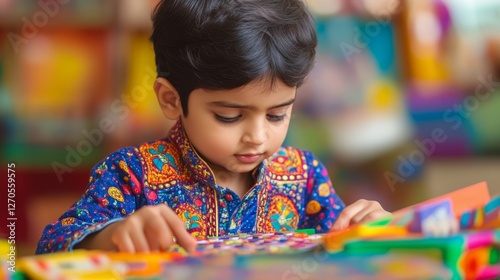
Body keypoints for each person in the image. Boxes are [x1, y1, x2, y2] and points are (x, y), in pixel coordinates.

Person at [36, 0, 390, 255]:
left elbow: (343, 249)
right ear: (172, 100)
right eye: (230, 117)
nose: (258, 136)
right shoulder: (132, 175)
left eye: (277, 115)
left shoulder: (304, 176)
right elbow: (52, 245)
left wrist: (375, 231)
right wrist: (112, 236)